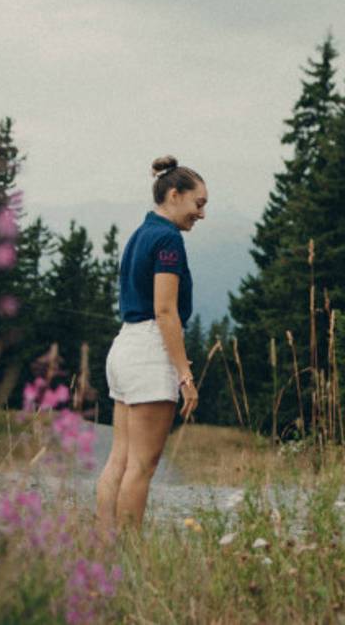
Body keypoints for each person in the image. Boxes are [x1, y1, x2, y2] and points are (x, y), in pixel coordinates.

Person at [96, 155, 206, 531]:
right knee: (142, 467)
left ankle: (104, 549)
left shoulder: (143, 232)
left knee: (120, 460)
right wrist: (184, 375)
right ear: (174, 195)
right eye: (198, 203)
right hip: (149, 352)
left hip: (124, 346)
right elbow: (164, 310)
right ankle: (128, 556)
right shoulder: (168, 238)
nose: (201, 214)